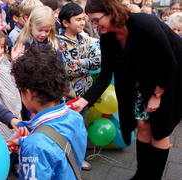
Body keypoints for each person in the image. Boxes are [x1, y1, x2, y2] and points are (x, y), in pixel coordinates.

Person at [70, 0, 182, 179]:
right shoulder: (107, 36)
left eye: (96, 20)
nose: (94, 25)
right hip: (143, 78)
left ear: (111, 13)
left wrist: (156, 95)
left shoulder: (146, 24)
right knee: (142, 124)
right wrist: (83, 101)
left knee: (159, 129)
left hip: (169, 77)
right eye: (91, 21)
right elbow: (105, 75)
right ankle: (142, 174)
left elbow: (169, 65)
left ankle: (154, 176)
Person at [10, 44, 87, 180]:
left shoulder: (35, 145)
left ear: (28, 93)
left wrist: (29, 148)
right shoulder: (75, 116)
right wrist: (25, 145)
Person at [58, 2, 101, 171]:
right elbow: (68, 68)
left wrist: (81, 62)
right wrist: (86, 64)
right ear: (65, 23)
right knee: (65, 127)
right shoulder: (60, 42)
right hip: (65, 94)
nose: (83, 23)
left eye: (83, 19)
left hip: (84, 93)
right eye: (78, 19)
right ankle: (63, 158)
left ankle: (78, 158)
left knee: (80, 127)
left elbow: (98, 61)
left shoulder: (85, 39)